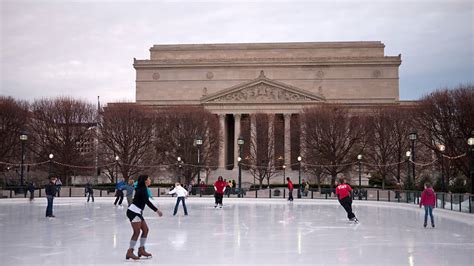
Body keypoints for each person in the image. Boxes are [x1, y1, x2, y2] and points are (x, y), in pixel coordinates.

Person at [126, 175, 163, 260]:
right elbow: (147, 202)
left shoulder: (143, 188)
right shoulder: (142, 189)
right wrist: (157, 211)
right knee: (137, 232)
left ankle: (141, 250)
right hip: (133, 212)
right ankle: (130, 251)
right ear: (145, 181)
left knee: (145, 230)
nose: (150, 180)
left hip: (137, 212)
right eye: (149, 179)